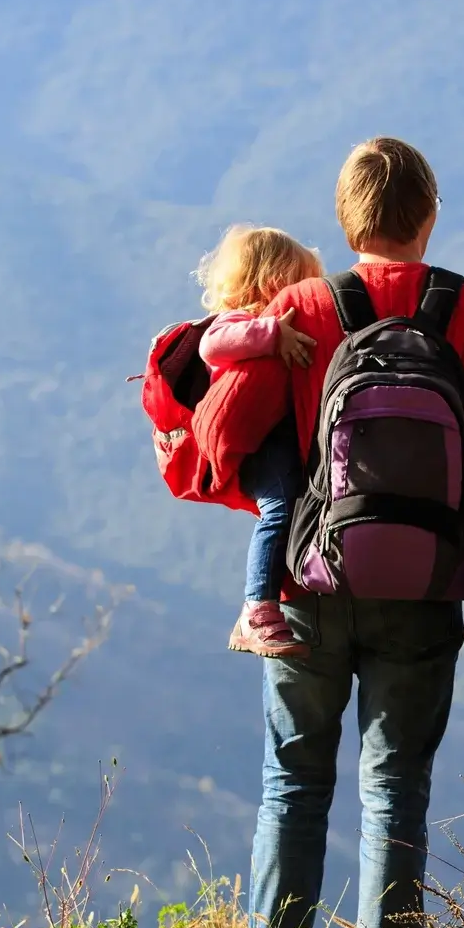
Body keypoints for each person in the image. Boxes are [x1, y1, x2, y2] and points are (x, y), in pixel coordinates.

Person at [198, 137, 464, 928]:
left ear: (346, 220)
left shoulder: (306, 307)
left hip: (309, 581)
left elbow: (222, 435)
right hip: (427, 589)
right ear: (429, 218)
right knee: (395, 787)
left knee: (294, 778)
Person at [194, 225, 323, 660]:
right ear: (272, 280)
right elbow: (212, 345)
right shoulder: (240, 321)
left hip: (279, 437)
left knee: (293, 506)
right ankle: (257, 607)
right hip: (259, 444)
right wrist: (271, 334)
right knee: (280, 508)